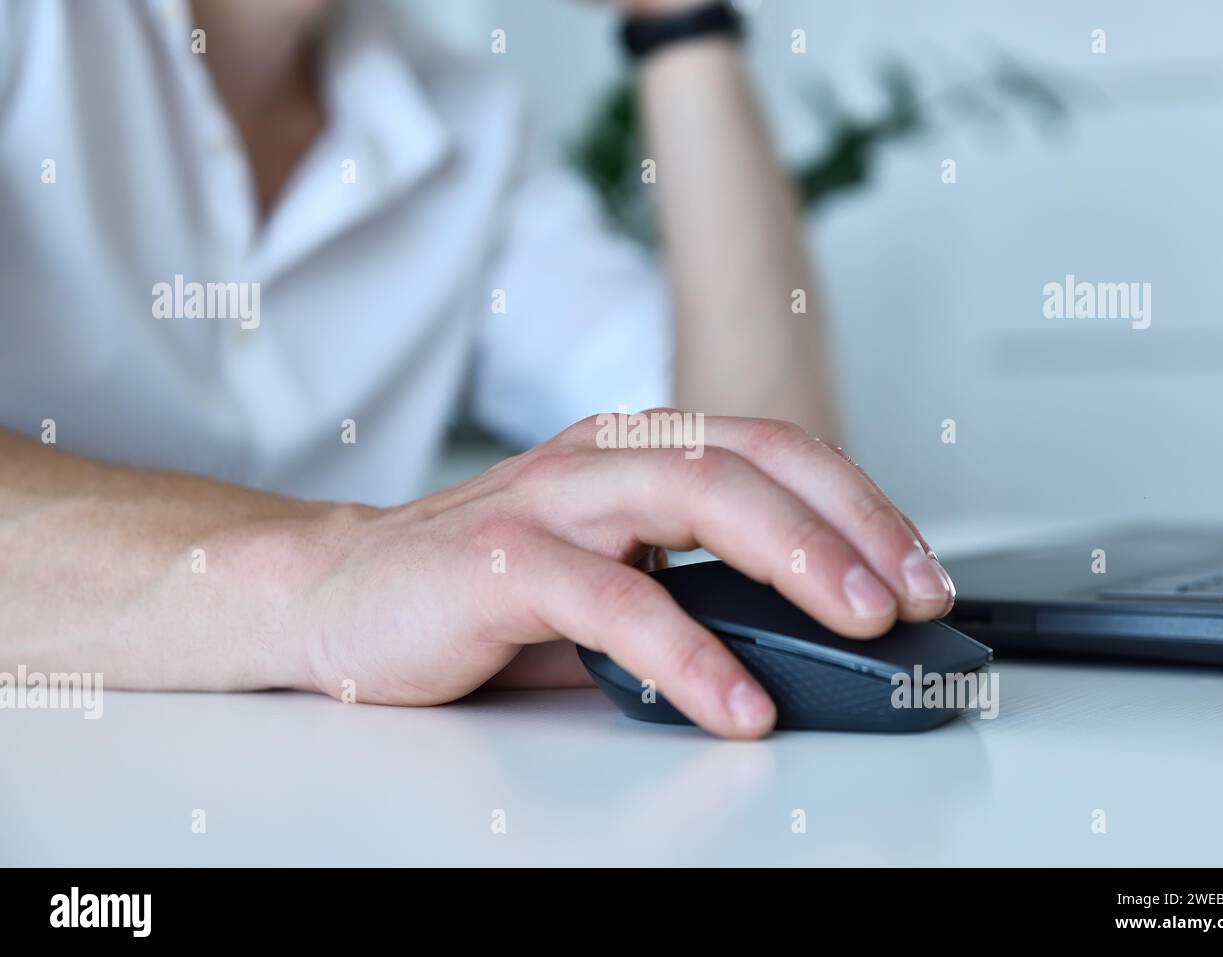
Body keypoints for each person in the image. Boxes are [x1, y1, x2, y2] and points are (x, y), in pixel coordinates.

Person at [0, 0, 954, 739]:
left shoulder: (459, 122)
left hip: (320, 784)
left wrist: (677, 22)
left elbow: (756, 503)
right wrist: (329, 567)